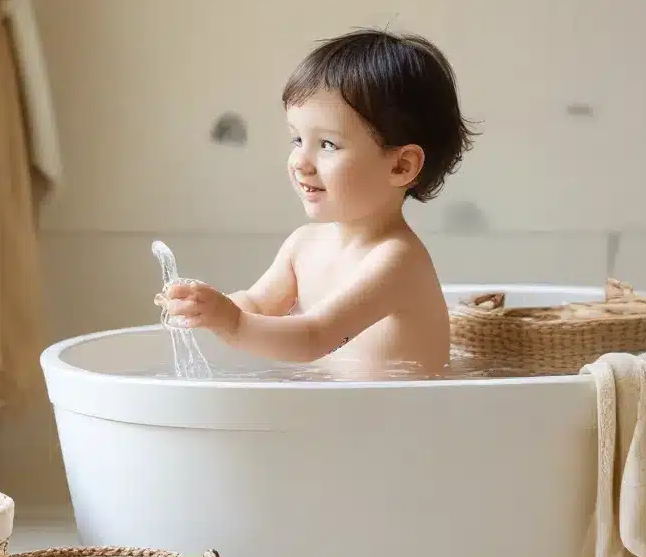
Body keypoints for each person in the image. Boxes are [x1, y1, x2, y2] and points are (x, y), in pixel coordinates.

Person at [157, 28, 476, 377]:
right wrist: (207, 306)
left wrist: (231, 323)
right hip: (339, 415)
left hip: (399, 423)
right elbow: (257, 306)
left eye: (327, 144)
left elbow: (314, 337)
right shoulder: (303, 244)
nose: (299, 161)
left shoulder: (396, 260)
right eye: (297, 139)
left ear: (400, 166)